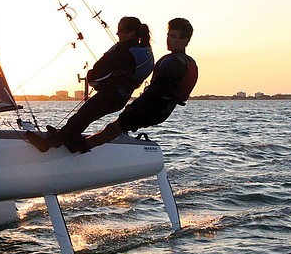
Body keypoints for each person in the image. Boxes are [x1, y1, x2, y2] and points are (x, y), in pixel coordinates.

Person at [26, 16, 154, 152]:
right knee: (84, 117)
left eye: (121, 30)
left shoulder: (124, 53)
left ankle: (49, 144)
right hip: (119, 98)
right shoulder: (144, 48)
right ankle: (67, 136)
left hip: (110, 97)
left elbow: (96, 75)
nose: (117, 34)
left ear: (132, 33)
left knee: (82, 116)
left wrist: (96, 81)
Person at [72, 17, 198, 153]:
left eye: (174, 37)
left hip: (153, 108)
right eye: (168, 35)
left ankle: (80, 148)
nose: (169, 40)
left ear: (185, 40)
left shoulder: (174, 64)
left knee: (114, 128)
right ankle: (106, 139)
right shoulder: (186, 61)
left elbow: (155, 92)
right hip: (163, 110)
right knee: (118, 126)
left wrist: (133, 106)